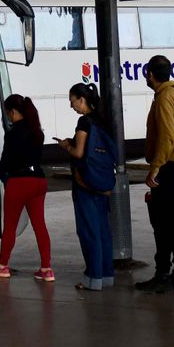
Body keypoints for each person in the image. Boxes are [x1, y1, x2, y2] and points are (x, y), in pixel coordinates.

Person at [0, 95, 53, 282]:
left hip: (19, 182)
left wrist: (2, 176)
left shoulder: (13, 133)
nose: (9, 117)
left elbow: (5, 161)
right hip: (39, 181)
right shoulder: (37, 131)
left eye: (8, 113)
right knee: (40, 226)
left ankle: (2, 265)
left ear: (12, 111)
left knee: (10, 227)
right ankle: (46, 269)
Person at [136, 55, 174, 293]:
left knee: (163, 223)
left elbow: (166, 136)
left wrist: (155, 167)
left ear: (149, 74)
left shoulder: (164, 98)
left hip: (168, 169)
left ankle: (164, 274)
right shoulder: (173, 95)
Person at [59, 82, 113, 291]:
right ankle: (107, 275)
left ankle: (93, 278)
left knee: (89, 232)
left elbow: (79, 152)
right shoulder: (103, 120)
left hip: (85, 183)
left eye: (72, 101)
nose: (71, 105)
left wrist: (66, 145)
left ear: (82, 99)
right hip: (102, 181)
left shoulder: (84, 123)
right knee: (102, 231)